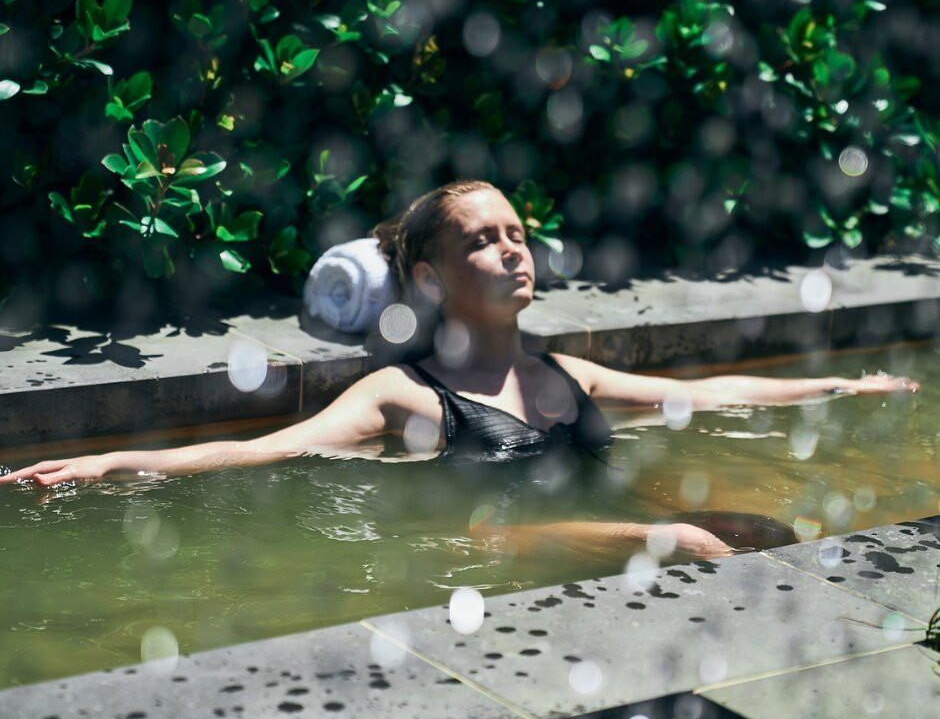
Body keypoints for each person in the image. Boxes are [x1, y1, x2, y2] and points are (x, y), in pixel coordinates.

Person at [0, 180, 919, 558]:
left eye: (519, 235)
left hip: (597, 539)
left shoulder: (565, 373)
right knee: (692, 543)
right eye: (486, 242)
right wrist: (112, 462)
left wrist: (840, 386)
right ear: (432, 279)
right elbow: (266, 450)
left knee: (766, 530)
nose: (516, 252)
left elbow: (706, 395)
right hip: (485, 550)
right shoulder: (404, 394)